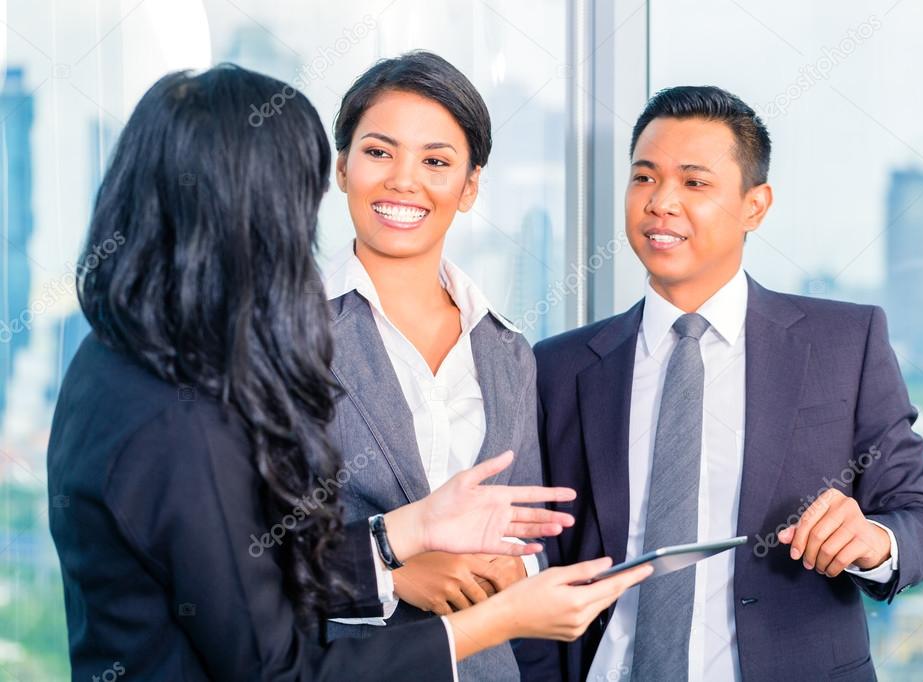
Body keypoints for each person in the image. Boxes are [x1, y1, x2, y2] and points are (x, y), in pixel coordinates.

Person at [47, 64, 651, 682]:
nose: (302, 226)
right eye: (297, 198)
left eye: (436, 160)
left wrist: (407, 529)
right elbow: (275, 663)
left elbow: (241, 565)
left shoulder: (114, 355)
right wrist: (491, 616)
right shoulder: (194, 408)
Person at [521, 86, 923, 681]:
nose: (661, 202)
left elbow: (922, 518)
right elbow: (538, 561)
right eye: (644, 178)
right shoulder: (559, 367)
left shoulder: (844, 343)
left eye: (694, 183)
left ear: (755, 205)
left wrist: (874, 539)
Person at [322, 51, 548, 681]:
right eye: (378, 152)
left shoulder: (508, 351)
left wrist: (513, 569)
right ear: (343, 167)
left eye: (436, 161)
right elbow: (242, 552)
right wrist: (391, 573)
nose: (403, 180)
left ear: (469, 186)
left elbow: (528, 529)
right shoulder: (282, 333)